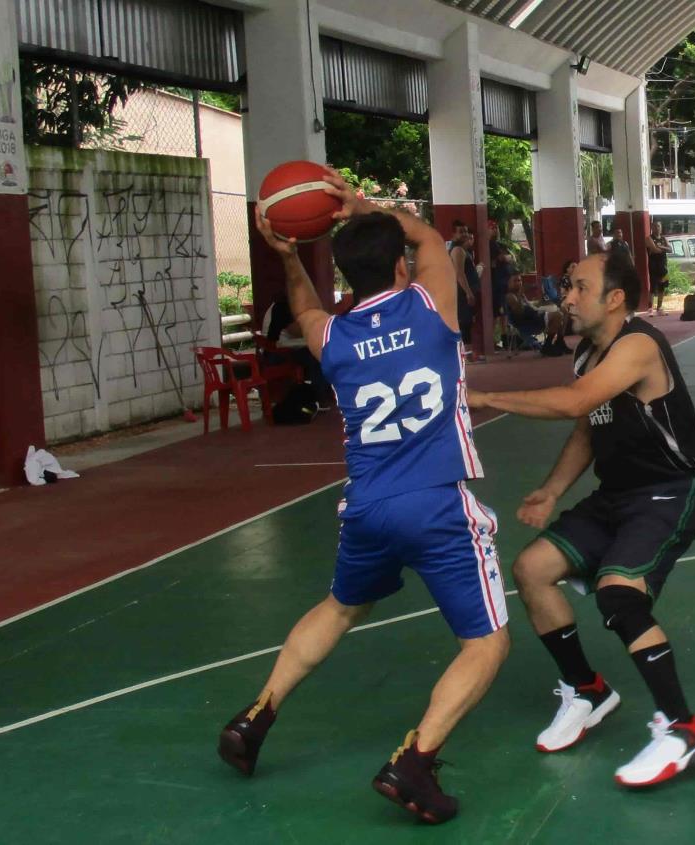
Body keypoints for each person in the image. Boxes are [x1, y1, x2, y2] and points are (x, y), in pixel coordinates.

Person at [218, 172, 509, 825]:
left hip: (367, 505)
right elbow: (431, 237)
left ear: (345, 273)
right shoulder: (431, 307)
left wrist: (289, 253)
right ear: (401, 264)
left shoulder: (335, 338)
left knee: (343, 604)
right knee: (485, 643)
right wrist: (364, 206)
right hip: (435, 503)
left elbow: (303, 308)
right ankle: (414, 760)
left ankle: (256, 714)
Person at [467, 250, 695, 789]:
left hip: (671, 489)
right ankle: (586, 690)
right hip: (620, 493)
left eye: (580, 287)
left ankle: (684, 729)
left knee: (620, 594)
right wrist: (551, 489)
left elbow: (572, 402)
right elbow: (587, 424)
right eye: (568, 285)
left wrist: (486, 395)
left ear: (615, 298)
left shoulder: (637, 345)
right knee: (532, 570)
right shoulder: (588, 353)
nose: (568, 297)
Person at [262, 296, 333, 408]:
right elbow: (295, 331)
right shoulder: (281, 307)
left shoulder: (278, 305)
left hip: (282, 348)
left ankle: (320, 393)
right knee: (317, 356)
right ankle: (320, 396)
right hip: (279, 353)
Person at [504, 272, 568, 356]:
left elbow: (530, 306)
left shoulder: (520, 295)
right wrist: (520, 296)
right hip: (528, 323)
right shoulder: (510, 296)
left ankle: (560, 342)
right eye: (515, 281)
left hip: (535, 316)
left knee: (564, 310)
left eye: (519, 280)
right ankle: (547, 346)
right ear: (509, 283)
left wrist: (541, 304)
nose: (518, 283)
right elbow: (519, 312)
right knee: (558, 315)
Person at [450, 230, 482, 357]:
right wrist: (468, 292)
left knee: (468, 321)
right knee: (464, 321)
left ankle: (468, 351)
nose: (471, 241)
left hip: (470, 289)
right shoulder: (458, 250)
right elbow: (459, 273)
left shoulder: (467, 252)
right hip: (462, 293)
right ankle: (467, 353)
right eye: (469, 239)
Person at [645, 222, 673, 316]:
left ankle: (659, 308)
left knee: (662, 287)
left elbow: (671, 250)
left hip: (663, 266)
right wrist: (664, 248)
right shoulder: (649, 238)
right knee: (653, 288)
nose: (657, 228)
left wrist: (661, 246)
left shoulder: (664, 238)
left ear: (661, 228)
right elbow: (654, 250)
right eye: (655, 226)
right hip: (653, 266)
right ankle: (650, 309)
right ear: (652, 227)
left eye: (659, 226)